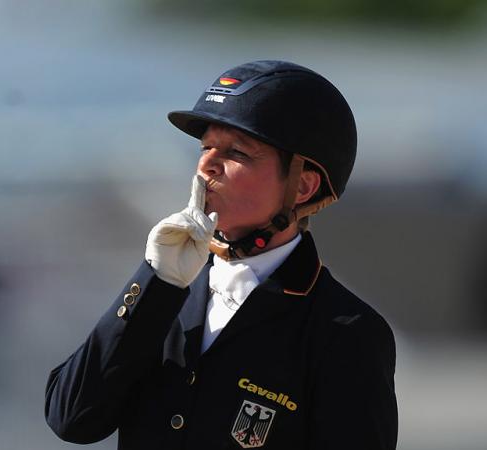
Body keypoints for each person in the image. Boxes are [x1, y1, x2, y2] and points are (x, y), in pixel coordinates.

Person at [45, 60, 397, 449]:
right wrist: (153, 281)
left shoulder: (346, 332)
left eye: (238, 153)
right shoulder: (165, 291)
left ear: (302, 187)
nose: (207, 164)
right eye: (206, 146)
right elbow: (72, 418)